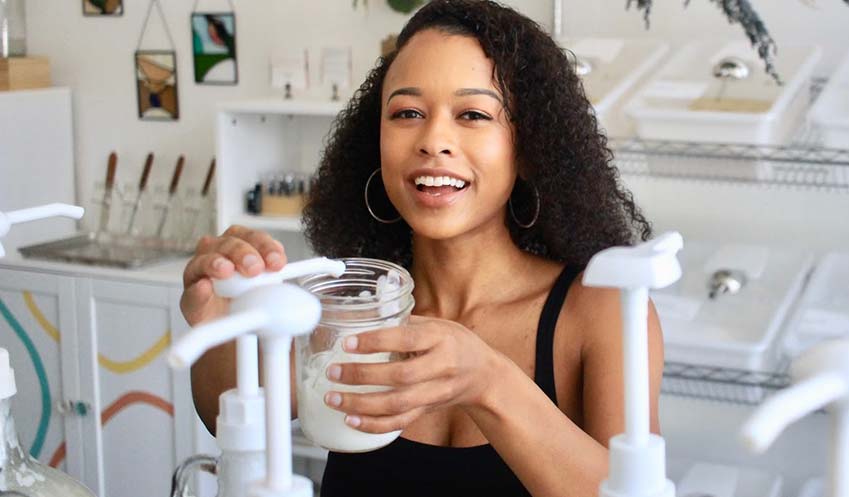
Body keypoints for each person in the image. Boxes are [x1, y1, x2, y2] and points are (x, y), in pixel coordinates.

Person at [179, 1, 663, 495]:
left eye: (473, 114)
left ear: (527, 145)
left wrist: (489, 382)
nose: (434, 140)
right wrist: (224, 326)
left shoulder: (601, 309)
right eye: (407, 112)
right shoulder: (352, 308)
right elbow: (225, 412)